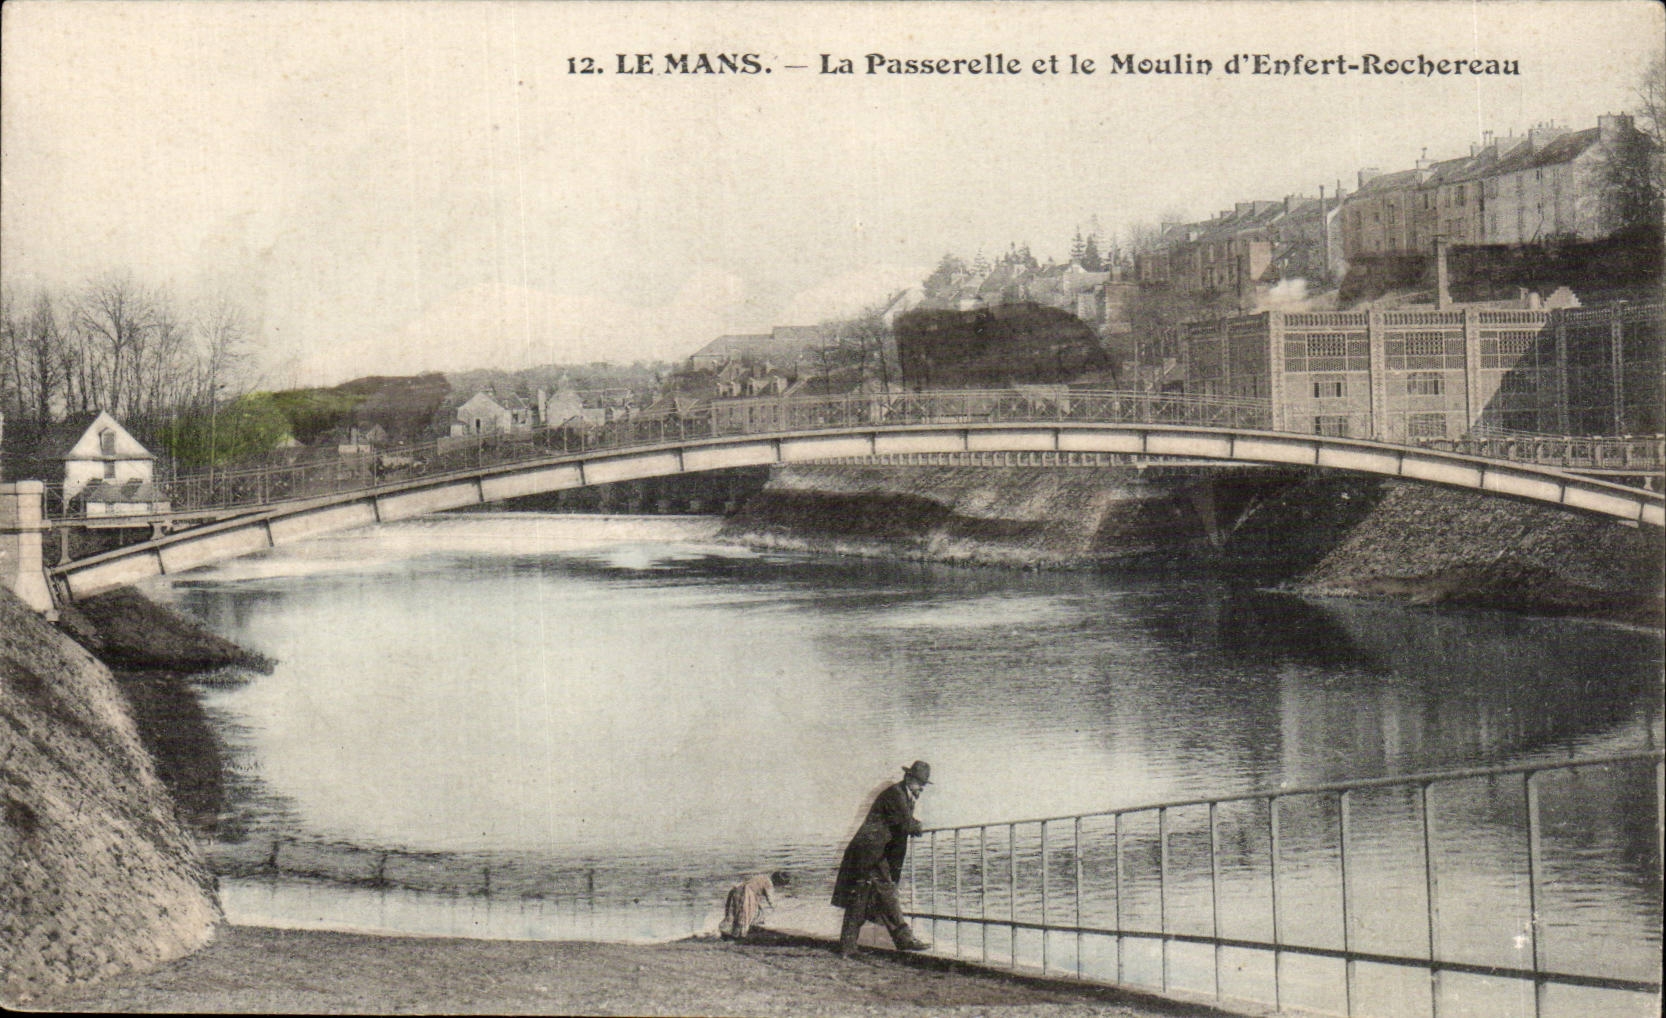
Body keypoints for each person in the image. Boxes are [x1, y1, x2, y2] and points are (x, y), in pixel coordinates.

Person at [831, 760, 933, 956]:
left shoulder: (903, 795)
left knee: (860, 899)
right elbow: (905, 823)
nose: (922, 788)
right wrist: (919, 826)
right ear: (908, 778)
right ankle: (904, 938)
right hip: (870, 854)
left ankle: (847, 947)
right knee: (885, 892)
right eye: (920, 783)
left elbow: (901, 824)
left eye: (924, 784)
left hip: (871, 854)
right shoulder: (895, 795)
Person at [719, 871, 789, 941]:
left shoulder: (763, 877)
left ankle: (726, 933)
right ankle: (739, 936)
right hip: (746, 894)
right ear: (777, 881)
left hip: (737, 891)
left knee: (734, 914)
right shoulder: (768, 883)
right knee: (744, 917)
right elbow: (771, 900)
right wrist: (779, 909)